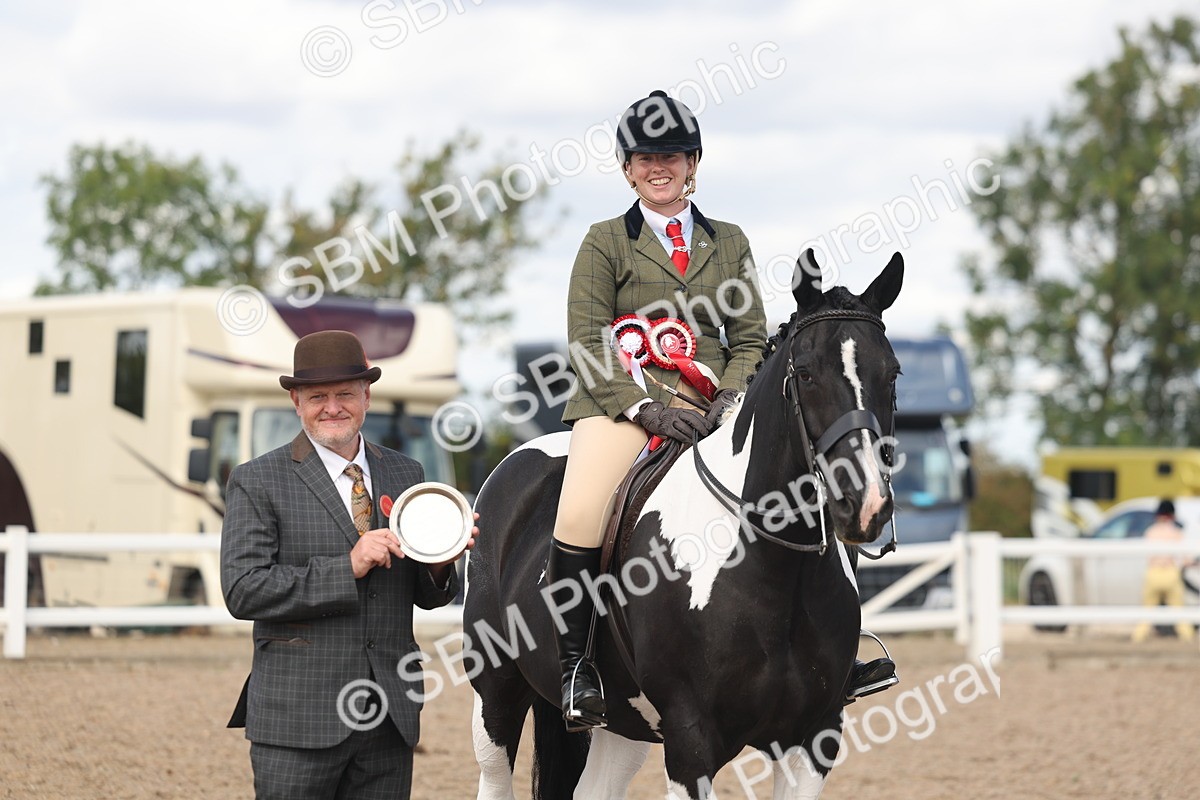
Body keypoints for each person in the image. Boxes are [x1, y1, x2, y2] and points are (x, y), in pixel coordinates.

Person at [550, 90, 894, 732]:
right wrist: (646, 410)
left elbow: (749, 340)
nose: (661, 167)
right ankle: (576, 667)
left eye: (673, 156)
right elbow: (586, 339)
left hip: (718, 410)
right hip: (624, 406)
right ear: (628, 168)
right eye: (646, 157)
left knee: (808, 490)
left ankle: (839, 653)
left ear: (694, 163)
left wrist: (731, 401)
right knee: (580, 511)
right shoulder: (605, 243)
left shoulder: (729, 241)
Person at [220, 330, 475, 799]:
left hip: (389, 713)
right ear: (296, 402)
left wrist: (442, 560)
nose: (332, 407)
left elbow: (425, 592)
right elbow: (243, 589)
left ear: (367, 397)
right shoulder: (256, 480)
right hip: (299, 718)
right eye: (318, 396)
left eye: (344, 394)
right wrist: (348, 566)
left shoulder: (408, 474)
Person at [1132, 499, 1194, 643]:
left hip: (1152, 573)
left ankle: (1138, 638)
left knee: (1147, 612)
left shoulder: (1150, 532)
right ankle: (1188, 639)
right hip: (1170, 572)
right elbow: (1185, 558)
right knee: (1179, 611)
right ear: (1172, 515)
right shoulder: (1175, 533)